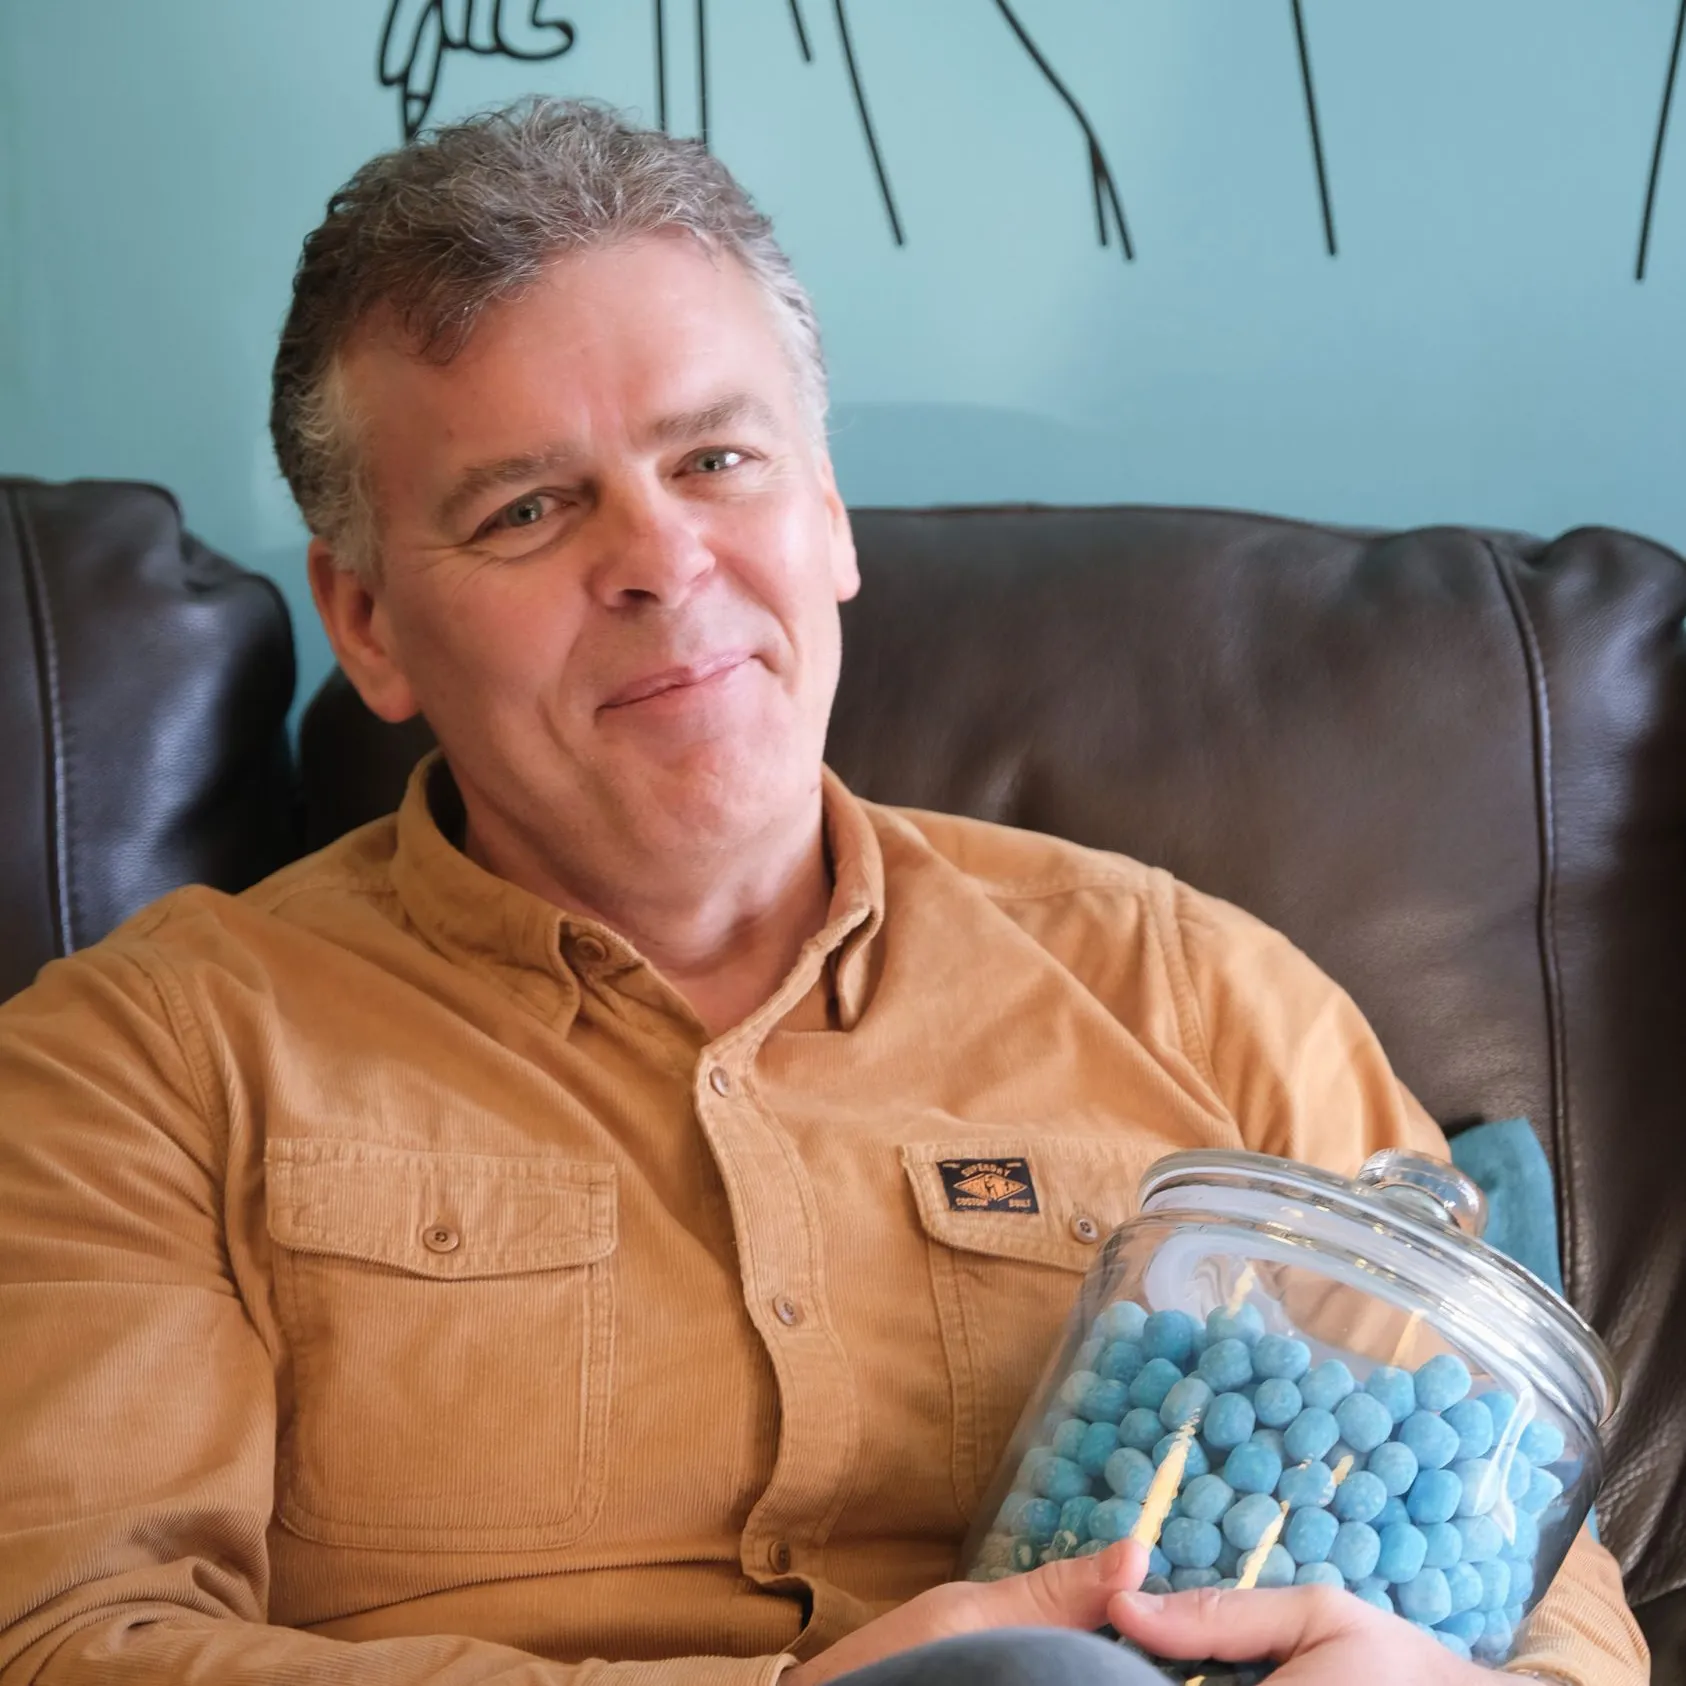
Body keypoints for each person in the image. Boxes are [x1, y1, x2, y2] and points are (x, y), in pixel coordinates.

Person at [0, 98, 1647, 1686]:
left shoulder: (1198, 994)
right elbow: (71, 1641)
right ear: (367, 623)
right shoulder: (140, 1069)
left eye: (716, 458)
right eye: (528, 507)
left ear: (830, 517)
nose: (662, 561)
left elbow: (1542, 1592)